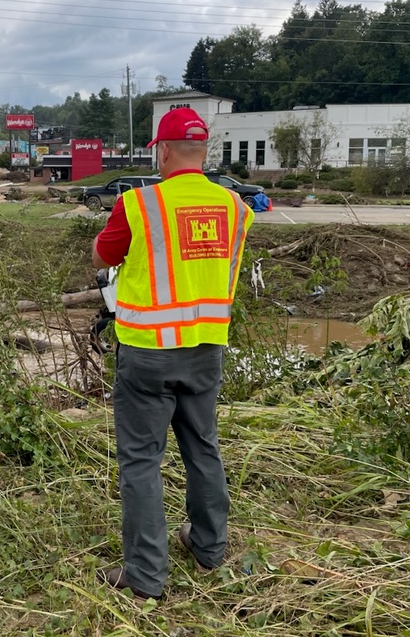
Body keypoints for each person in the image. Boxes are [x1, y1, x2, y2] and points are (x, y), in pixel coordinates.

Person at [91, 107, 253, 602]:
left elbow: (103, 257)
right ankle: (208, 547)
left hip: (147, 353)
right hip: (206, 350)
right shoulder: (235, 208)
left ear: (161, 151)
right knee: (203, 445)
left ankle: (145, 575)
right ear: (203, 152)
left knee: (141, 460)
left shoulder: (139, 204)